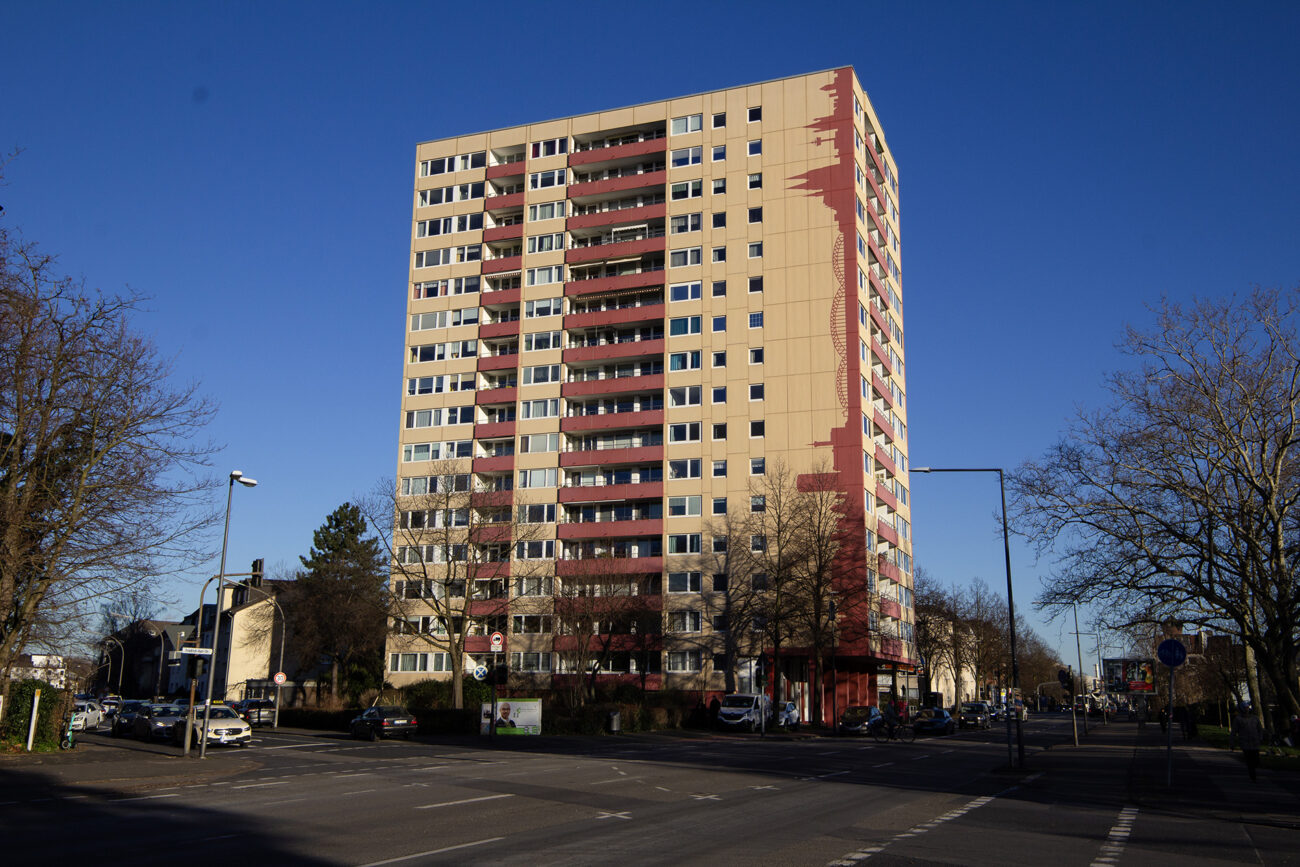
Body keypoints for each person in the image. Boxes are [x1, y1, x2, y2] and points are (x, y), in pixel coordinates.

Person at [1233, 701, 1264, 782]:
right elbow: (1234, 731)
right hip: (1245, 742)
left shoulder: (1255, 718)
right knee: (1249, 759)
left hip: (1255, 742)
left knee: (1256, 760)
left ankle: (1253, 768)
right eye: (1245, 708)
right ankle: (1252, 774)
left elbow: (1260, 729)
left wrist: (1260, 738)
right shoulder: (1238, 719)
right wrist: (1232, 742)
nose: (1246, 710)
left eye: (1247, 708)